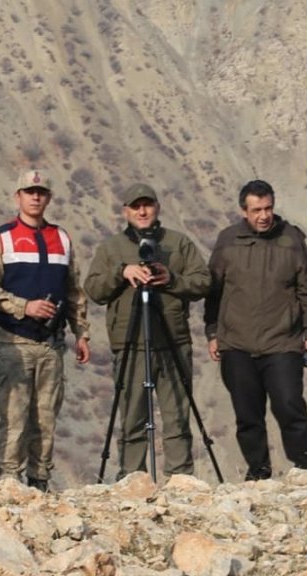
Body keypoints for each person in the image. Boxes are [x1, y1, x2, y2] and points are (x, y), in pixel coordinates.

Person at [84, 184, 210, 479]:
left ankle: (181, 480)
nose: (142, 211)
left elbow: (203, 282)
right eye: (135, 206)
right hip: (131, 345)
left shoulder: (178, 244)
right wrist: (121, 272)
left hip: (173, 341)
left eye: (147, 205)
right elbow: (93, 290)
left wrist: (172, 278)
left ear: (157, 207)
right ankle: (132, 478)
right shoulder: (111, 249)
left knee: (177, 416)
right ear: (125, 211)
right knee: (132, 418)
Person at [0, 169, 90, 491]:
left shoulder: (62, 238)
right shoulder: (0, 238)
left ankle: (39, 480)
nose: (35, 197)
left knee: (45, 417)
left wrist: (81, 332)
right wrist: (23, 306)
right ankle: (8, 480)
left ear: (49, 197)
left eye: (41, 192)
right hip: (13, 340)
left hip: (51, 343)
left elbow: (73, 291)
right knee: (14, 415)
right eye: (29, 192)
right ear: (18, 196)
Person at [205, 180, 307, 480]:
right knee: (247, 415)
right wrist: (213, 332)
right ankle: (258, 472)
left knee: (289, 406)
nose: (264, 215)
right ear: (244, 211)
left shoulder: (291, 239)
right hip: (237, 343)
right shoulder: (228, 241)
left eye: (268, 208)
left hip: (282, 341)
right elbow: (213, 291)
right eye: (257, 210)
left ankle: (306, 466)